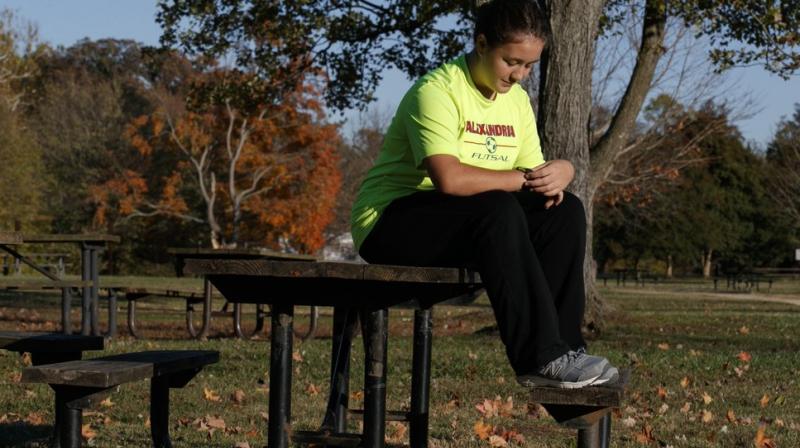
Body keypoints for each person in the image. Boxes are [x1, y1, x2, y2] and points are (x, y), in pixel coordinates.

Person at [350, 0, 618, 388]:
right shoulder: (437, 91)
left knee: (564, 211)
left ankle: (566, 351)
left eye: (529, 66)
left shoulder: (517, 102)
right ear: (481, 44)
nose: (521, 75)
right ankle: (541, 358)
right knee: (497, 207)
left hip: (465, 222)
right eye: (512, 62)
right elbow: (451, 180)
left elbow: (531, 180)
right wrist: (522, 180)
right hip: (389, 222)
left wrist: (563, 172)